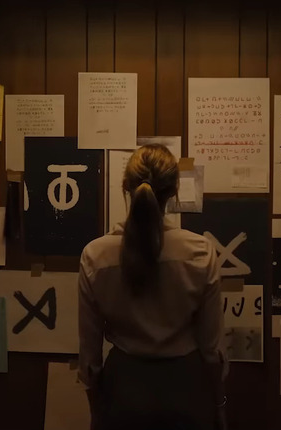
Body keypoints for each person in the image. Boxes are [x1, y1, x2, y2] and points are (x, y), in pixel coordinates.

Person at [78, 144, 228, 430]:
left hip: (123, 390)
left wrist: (97, 412)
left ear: (126, 188)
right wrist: (219, 405)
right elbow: (212, 351)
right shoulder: (199, 252)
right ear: (173, 192)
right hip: (186, 389)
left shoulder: (95, 256)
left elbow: (89, 358)